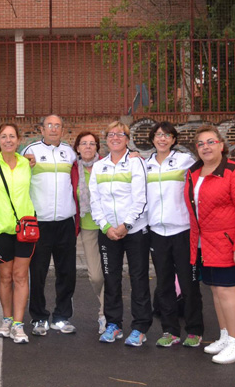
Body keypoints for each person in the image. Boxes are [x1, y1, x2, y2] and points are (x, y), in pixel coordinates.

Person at [185, 125, 235, 364]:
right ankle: (226, 337)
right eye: (201, 143)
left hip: (228, 244)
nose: (206, 147)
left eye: (210, 142)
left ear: (221, 145)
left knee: (227, 292)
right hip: (204, 244)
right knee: (216, 291)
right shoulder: (195, 172)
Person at [90, 121, 151, 347]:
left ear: (127, 138)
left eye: (120, 134)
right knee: (111, 279)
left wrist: (126, 224)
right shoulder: (99, 166)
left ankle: (139, 327)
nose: (115, 137)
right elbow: (94, 200)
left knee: (138, 278)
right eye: (111, 134)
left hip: (135, 231)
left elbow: (141, 198)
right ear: (106, 139)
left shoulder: (136, 163)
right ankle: (113, 324)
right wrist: (106, 227)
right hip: (108, 232)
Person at [145, 121, 204, 348]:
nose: (162, 139)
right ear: (152, 139)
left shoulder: (185, 161)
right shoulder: (145, 164)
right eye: (158, 135)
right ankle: (170, 331)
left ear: (173, 140)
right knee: (164, 284)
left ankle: (194, 330)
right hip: (157, 232)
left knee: (189, 284)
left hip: (183, 231)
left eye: (167, 135)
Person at [21, 114, 78, 336]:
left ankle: (62, 317)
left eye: (58, 126)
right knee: (38, 272)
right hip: (40, 223)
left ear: (63, 130)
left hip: (65, 223)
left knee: (67, 272)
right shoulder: (30, 152)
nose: (53, 129)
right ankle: (38, 318)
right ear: (42, 129)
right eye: (49, 125)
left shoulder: (69, 153)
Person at [0, 123, 36, 344]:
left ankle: (18, 323)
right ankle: (6, 319)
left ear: (18, 140)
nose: (8, 140)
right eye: (3, 137)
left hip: (25, 228)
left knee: (21, 276)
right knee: (5, 277)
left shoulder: (27, 163)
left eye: (12, 136)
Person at [70, 131, 106, 334]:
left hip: (108, 226)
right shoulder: (73, 169)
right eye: (84, 143)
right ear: (77, 147)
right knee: (95, 276)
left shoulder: (106, 166)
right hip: (88, 226)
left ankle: (105, 314)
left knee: (111, 272)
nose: (88, 147)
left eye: (92, 143)